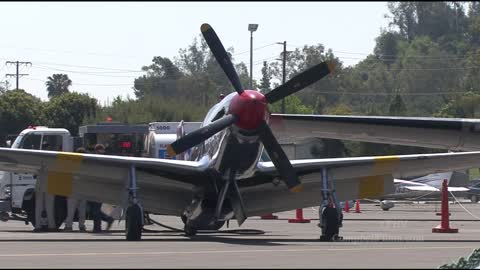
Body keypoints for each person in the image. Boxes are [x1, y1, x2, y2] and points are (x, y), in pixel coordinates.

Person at [89, 144, 114, 233]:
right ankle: (106, 220)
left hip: (96, 187)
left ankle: (98, 227)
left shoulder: (95, 160)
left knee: (95, 209)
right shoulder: (105, 160)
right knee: (95, 208)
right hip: (100, 187)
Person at [64, 147, 88, 232]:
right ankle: (82, 226)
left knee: (71, 210)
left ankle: (68, 226)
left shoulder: (72, 164)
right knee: (82, 211)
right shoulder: (86, 166)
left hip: (73, 190)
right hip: (83, 190)